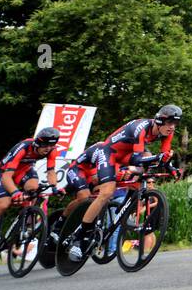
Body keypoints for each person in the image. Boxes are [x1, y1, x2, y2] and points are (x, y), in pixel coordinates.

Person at [66, 105, 180, 262]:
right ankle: (79, 238)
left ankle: (127, 208)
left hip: (126, 154)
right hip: (108, 153)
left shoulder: (168, 133)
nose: (172, 127)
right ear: (159, 120)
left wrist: (172, 168)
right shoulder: (141, 128)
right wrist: (156, 159)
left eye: (175, 123)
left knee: (145, 167)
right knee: (107, 193)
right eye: (169, 123)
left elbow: (163, 156)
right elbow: (139, 159)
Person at [0, 128, 61, 260]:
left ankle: (25, 223)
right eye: (45, 145)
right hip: (3, 173)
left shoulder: (52, 150)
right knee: (3, 205)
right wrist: (15, 192)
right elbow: (7, 176)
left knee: (34, 189)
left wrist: (55, 187)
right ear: (37, 143)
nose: (48, 149)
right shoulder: (23, 147)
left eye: (51, 145)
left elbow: (51, 171)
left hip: (25, 170)